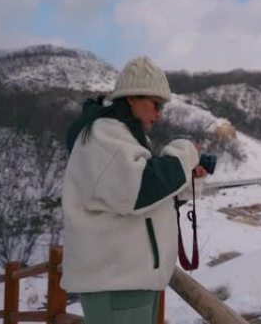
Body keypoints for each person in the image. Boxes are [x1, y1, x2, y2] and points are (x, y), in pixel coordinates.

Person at [61, 56, 206, 324]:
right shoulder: (104, 135)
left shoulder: (121, 136)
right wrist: (185, 153)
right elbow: (139, 190)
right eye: (155, 104)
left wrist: (190, 180)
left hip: (128, 281)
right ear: (130, 98)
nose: (159, 113)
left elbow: (145, 199)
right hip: (118, 284)